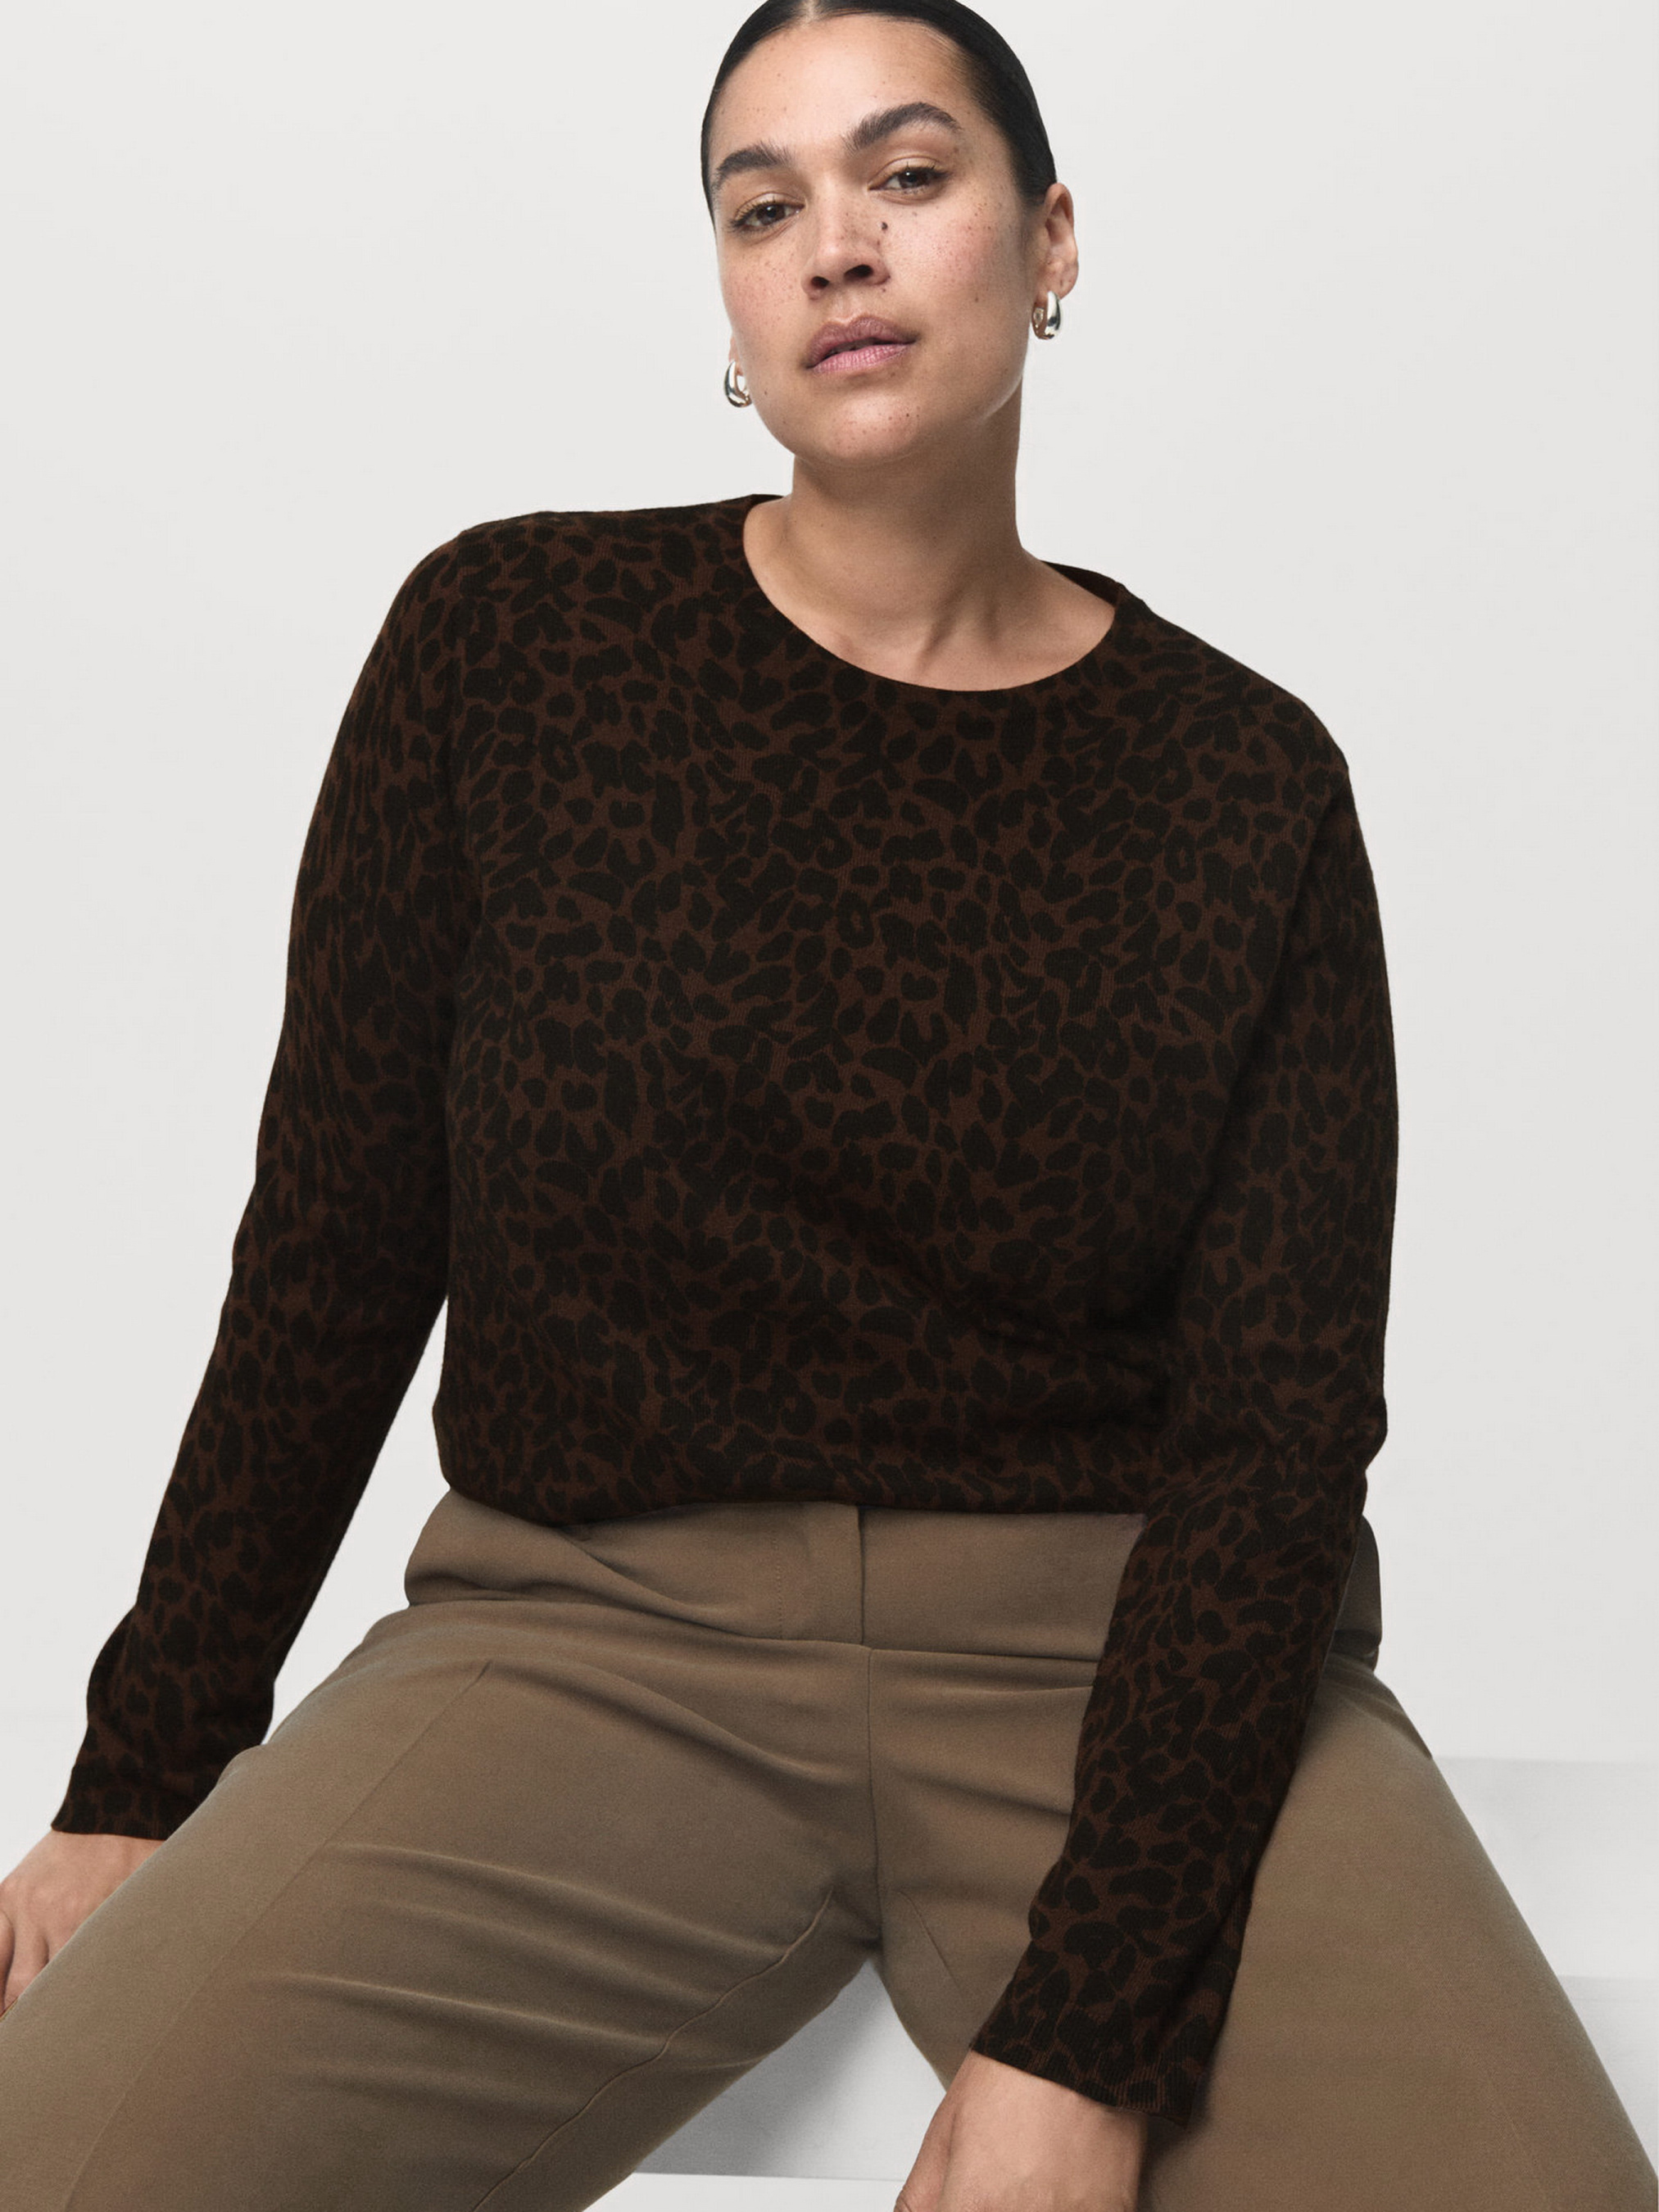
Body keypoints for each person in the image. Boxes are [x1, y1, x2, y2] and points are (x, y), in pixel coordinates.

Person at [1, 2, 1652, 2207]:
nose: (833, 248)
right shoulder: (511, 645)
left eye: (908, 177)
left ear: (1049, 240)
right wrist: (145, 1770)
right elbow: (332, 1249)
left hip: (1128, 1668)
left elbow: (1276, 1434)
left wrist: (1083, 2030)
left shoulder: (1242, 784)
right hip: (589, 1652)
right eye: (760, 207)